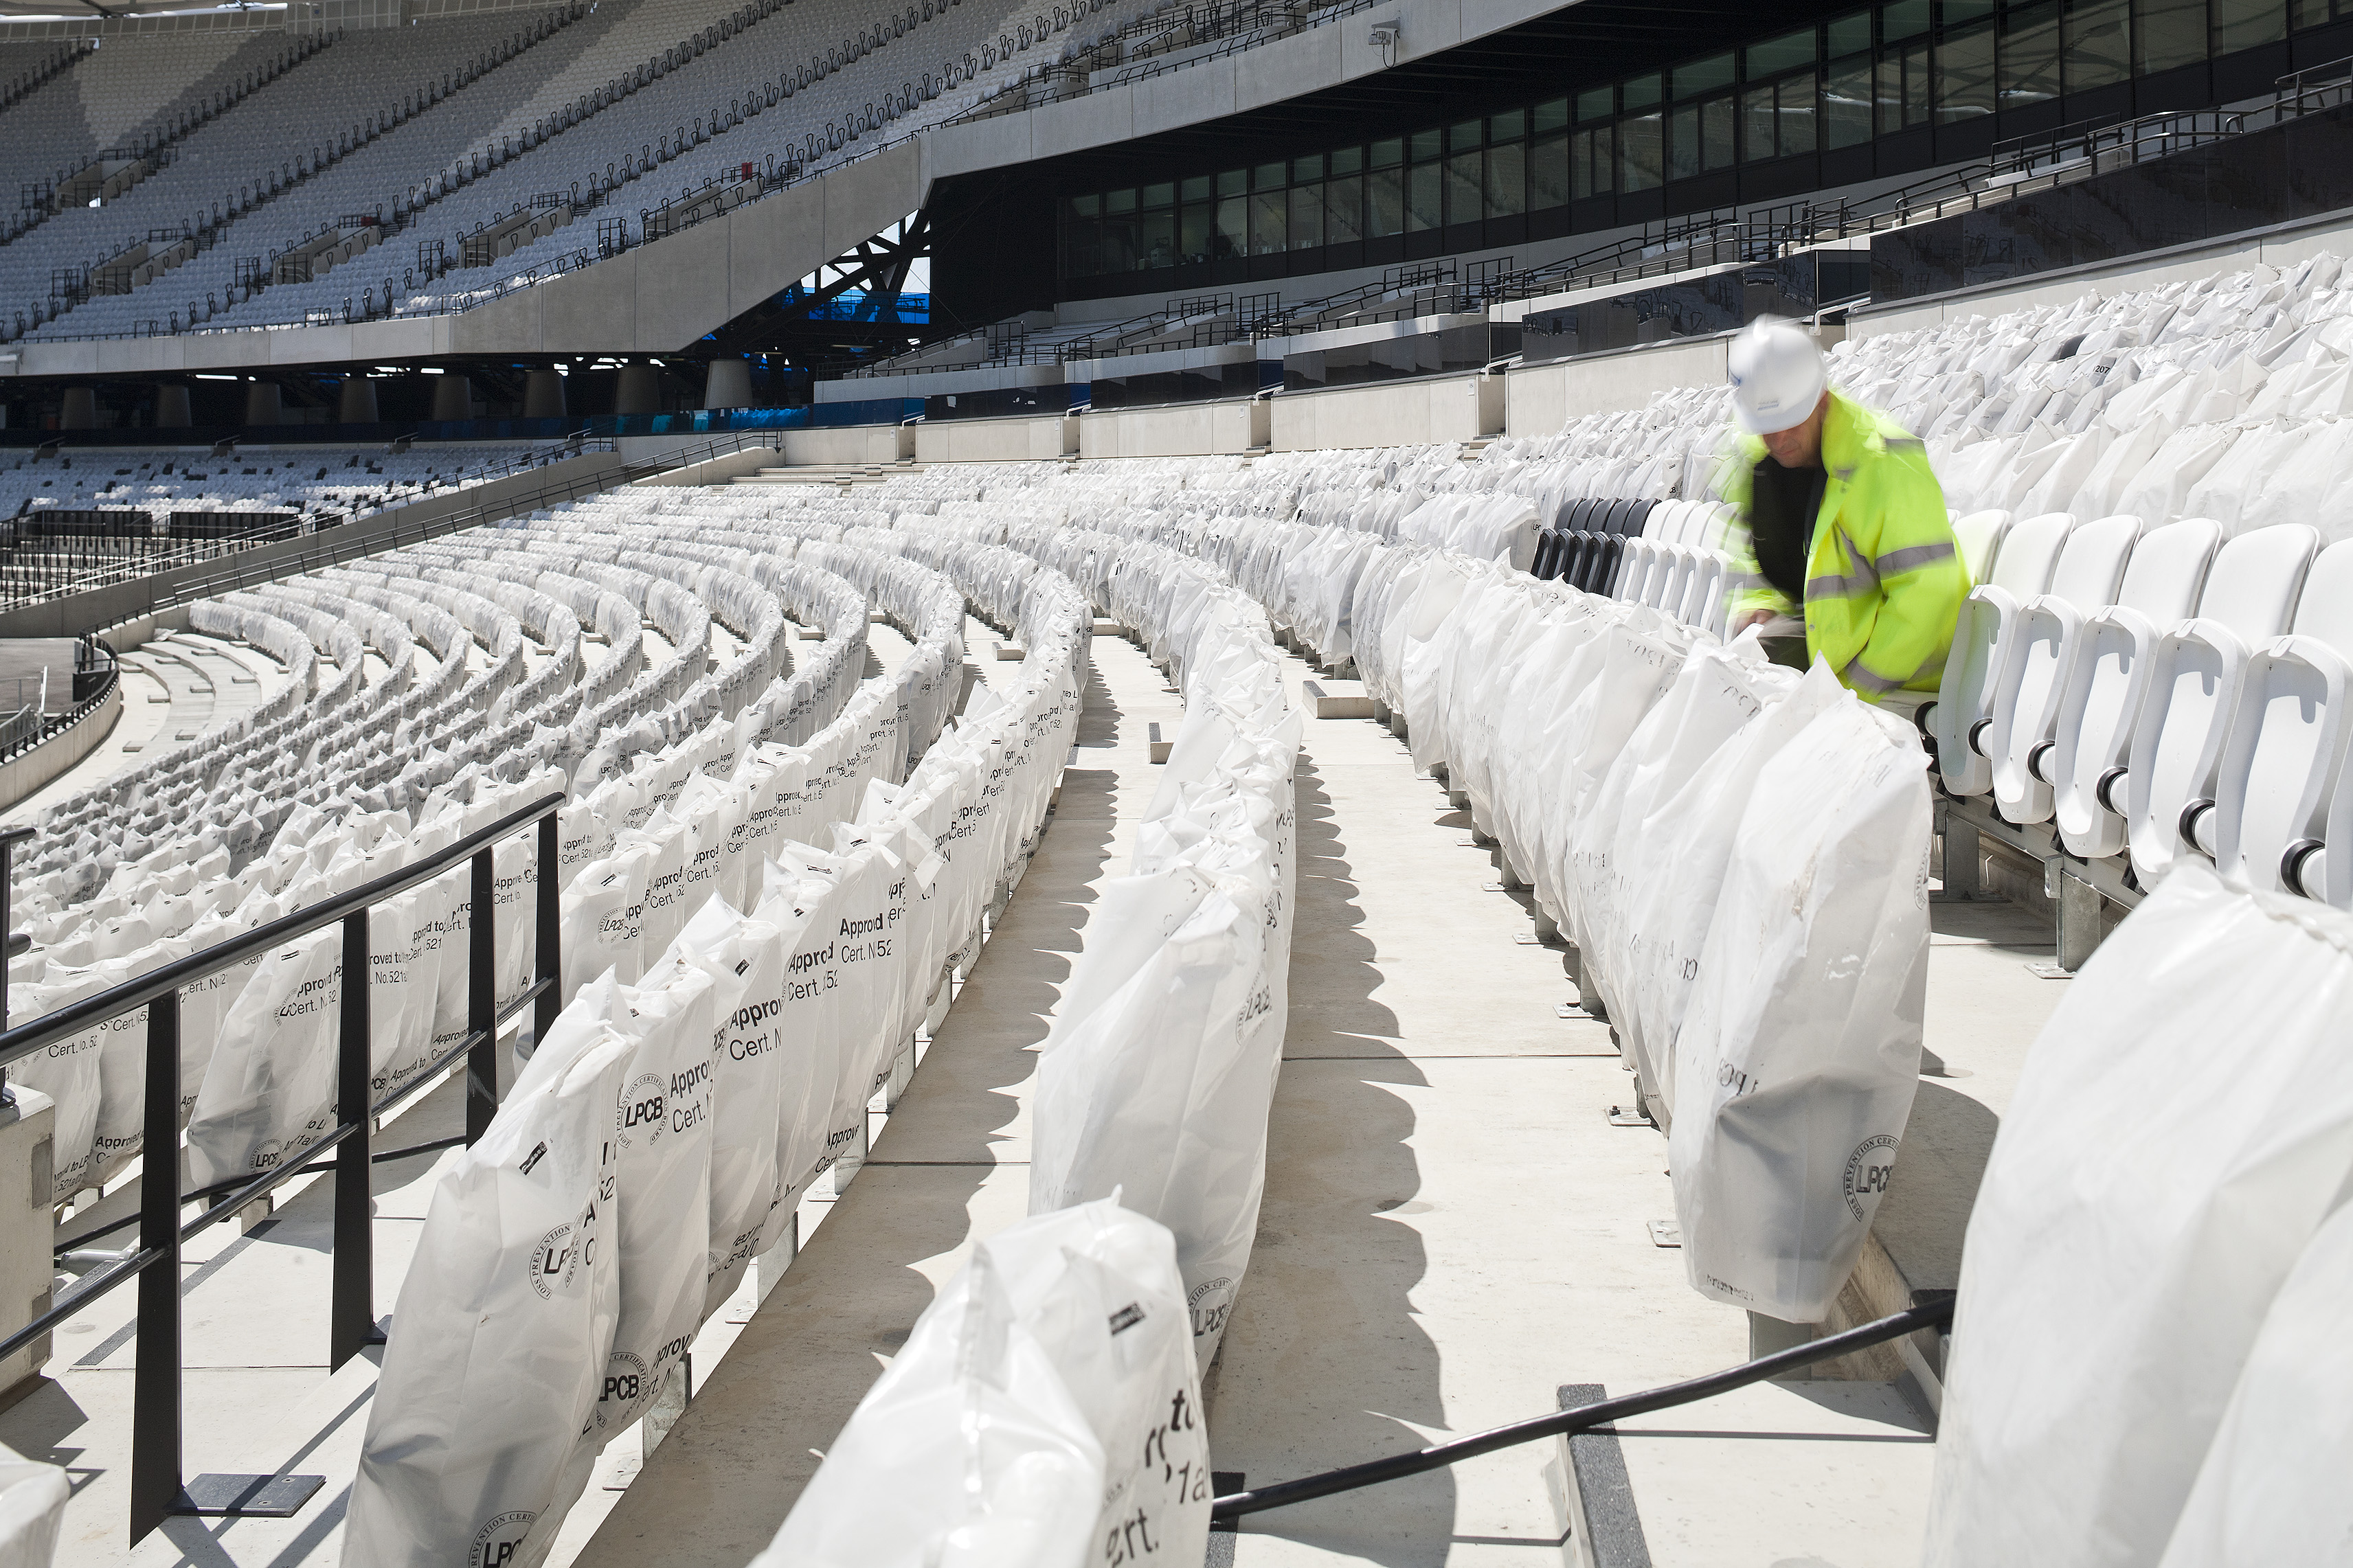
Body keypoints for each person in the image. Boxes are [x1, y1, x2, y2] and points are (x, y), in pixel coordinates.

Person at [1720, 317, 1969, 700]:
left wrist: (1848, 695)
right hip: (1828, 655)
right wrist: (1760, 605)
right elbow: (1761, 558)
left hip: (1896, 679)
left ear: (1821, 399)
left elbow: (1927, 594)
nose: (1779, 440)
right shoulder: (1762, 465)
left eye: (1790, 422)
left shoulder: (1884, 462)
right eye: (1767, 427)